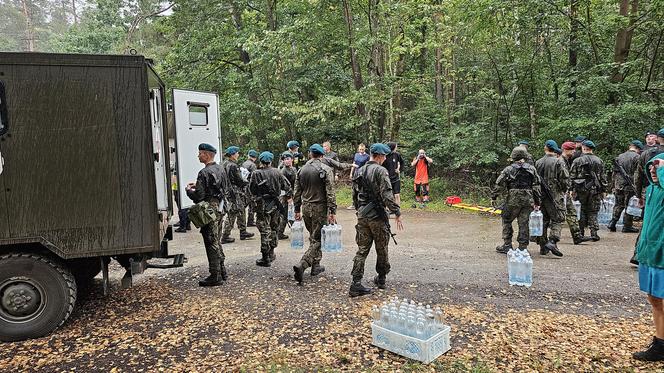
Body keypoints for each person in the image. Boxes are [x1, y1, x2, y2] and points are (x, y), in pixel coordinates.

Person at [348, 143, 404, 297]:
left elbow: (354, 194)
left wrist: (359, 209)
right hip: (377, 217)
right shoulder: (381, 171)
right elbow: (387, 195)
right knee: (382, 248)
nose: (385, 158)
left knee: (362, 249)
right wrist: (397, 212)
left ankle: (356, 283)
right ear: (378, 156)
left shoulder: (359, 170)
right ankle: (381, 278)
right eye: (384, 156)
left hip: (362, 215)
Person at [633, 154, 664, 361]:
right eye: (651, 168)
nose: (653, 171)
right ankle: (660, 343)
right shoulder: (652, 190)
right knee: (653, 298)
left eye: (657, 168)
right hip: (649, 252)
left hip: (662, 252)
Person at [292, 144, 336, 285]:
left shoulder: (301, 170)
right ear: (322, 155)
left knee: (314, 237)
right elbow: (330, 192)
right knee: (317, 239)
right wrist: (332, 211)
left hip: (306, 207)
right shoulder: (326, 169)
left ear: (310, 154)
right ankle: (303, 264)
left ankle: (316, 265)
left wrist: (297, 209)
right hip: (319, 208)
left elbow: (296, 192)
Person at [185, 143, 228, 287]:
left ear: (207, 155)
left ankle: (215, 275)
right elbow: (224, 188)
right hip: (220, 207)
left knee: (211, 241)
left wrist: (189, 191)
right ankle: (222, 270)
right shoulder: (220, 168)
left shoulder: (203, 173)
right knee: (217, 239)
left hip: (208, 210)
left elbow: (199, 197)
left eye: (200, 153)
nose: (198, 156)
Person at [492, 147, 541, 254]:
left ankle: (507, 245)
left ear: (513, 156)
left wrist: (494, 197)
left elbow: (499, 184)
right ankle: (523, 247)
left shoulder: (508, 169)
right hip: (528, 199)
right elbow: (536, 187)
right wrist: (537, 202)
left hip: (513, 199)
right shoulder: (532, 169)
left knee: (506, 220)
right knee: (524, 223)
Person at [250, 151, 292, 267]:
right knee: (274, 228)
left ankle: (265, 257)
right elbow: (287, 186)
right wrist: (286, 197)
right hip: (276, 204)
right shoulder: (277, 172)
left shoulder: (256, 174)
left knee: (264, 230)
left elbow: (252, 189)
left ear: (261, 161)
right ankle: (272, 252)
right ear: (271, 161)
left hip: (262, 205)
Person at [631, 129, 664, 265]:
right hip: (655, 190)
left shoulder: (646, 153)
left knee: (648, 224)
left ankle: (638, 254)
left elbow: (638, 177)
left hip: (649, 190)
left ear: (657, 138)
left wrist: (638, 194)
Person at [570, 140, 608, 241]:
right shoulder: (599, 160)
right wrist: (604, 189)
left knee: (581, 210)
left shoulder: (577, 161)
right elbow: (603, 177)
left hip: (580, 190)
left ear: (583, 148)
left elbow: (572, 176)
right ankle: (594, 232)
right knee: (593, 211)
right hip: (594, 190)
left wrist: (571, 189)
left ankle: (580, 232)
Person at [534, 140, 566, 257]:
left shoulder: (538, 162)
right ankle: (552, 241)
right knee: (558, 219)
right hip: (555, 196)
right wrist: (563, 190)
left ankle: (543, 246)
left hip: (541, 196)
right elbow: (564, 179)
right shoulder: (558, 162)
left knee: (543, 221)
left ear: (546, 148)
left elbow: (534, 181)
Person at [221, 146, 255, 243]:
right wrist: (246, 181)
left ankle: (243, 231)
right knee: (233, 213)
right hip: (234, 192)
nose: (238, 154)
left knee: (241, 210)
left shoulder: (224, 163)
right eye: (237, 153)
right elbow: (239, 180)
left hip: (229, 191)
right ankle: (225, 235)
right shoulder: (233, 165)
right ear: (232, 154)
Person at [608, 140, 643, 233]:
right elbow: (638, 174)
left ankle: (613, 222)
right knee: (630, 205)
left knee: (618, 204)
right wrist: (638, 187)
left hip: (618, 185)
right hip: (630, 186)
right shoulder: (637, 157)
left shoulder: (620, 156)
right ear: (638, 148)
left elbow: (614, 173)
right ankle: (627, 226)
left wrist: (613, 185)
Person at [561, 142, 592, 244]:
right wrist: (567, 189)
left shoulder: (567, 160)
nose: (574, 151)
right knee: (558, 217)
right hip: (561, 192)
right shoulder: (561, 161)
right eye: (572, 149)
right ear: (566, 150)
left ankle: (577, 236)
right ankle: (548, 240)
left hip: (565, 192)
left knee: (572, 213)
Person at [277, 152, 297, 240]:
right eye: (285, 159)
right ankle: (280, 232)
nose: (287, 161)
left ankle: (295, 230)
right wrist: (289, 197)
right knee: (284, 214)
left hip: (292, 194)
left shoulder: (293, 169)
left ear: (292, 159)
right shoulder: (283, 171)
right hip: (285, 195)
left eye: (288, 159)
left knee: (292, 212)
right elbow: (284, 186)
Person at [347, 143, 370, 209]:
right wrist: (351, 173)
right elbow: (354, 164)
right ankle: (354, 204)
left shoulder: (367, 156)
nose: (361, 151)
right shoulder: (356, 155)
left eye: (362, 149)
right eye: (360, 149)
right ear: (358, 149)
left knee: (362, 189)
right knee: (354, 189)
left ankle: (362, 204)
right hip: (355, 173)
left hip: (362, 174)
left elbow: (367, 166)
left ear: (364, 149)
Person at [382, 142, 405, 206]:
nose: (396, 148)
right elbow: (381, 165)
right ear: (392, 147)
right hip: (387, 178)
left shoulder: (397, 154)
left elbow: (402, 162)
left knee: (397, 194)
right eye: (396, 147)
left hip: (396, 178)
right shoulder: (385, 156)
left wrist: (399, 169)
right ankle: (388, 209)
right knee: (388, 195)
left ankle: (397, 209)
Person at [243, 150, 259, 227]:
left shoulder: (244, 163)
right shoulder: (253, 165)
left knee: (244, 204)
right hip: (249, 187)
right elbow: (254, 178)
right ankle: (250, 221)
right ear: (255, 158)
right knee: (252, 204)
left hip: (243, 186)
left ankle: (240, 220)